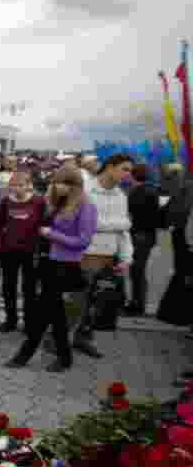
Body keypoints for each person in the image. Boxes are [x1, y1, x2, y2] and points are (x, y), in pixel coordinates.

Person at [6, 166, 96, 372]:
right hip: (50, 264)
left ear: (75, 185)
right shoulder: (59, 202)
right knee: (54, 316)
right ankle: (63, 358)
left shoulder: (86, 206)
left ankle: (24, 356)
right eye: (55, 182)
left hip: (66, 266)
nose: (58, 186)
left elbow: (83, 241)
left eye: (63, 183)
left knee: (44, 314)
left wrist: (51, 234)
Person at [59, 153, 132, 359]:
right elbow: (76, 223)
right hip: (84, 255)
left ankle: (83, 338)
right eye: (124, 169)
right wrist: (119, 223)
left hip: (108, 257)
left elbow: (124, 231)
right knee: (74, 303)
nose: (127, 174)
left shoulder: (121, 196)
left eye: (130, 171)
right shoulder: (85, 191)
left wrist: (126, 258)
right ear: (109, 167)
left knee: (95, 304)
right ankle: (56, 341)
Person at [0, 171, 44, 333]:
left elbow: (44, 224)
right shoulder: (6, 202)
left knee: (29, 289)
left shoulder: (38, 202)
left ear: (29, 185)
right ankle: (10, 319)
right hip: (9, 251)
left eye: (21, 185)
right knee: (9, 286)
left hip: (31, 252)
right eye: (13, 185)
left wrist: (41, 247)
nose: (17, 189)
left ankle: (29, 321)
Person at [125, 163, 160, 316]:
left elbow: (130, 214)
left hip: (139, 234)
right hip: (148, 235)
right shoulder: (152, 191)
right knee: (138, 270)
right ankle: (137, 303)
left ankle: (138, 304)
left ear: (134, 175)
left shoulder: (136, 192)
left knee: (137, 271)